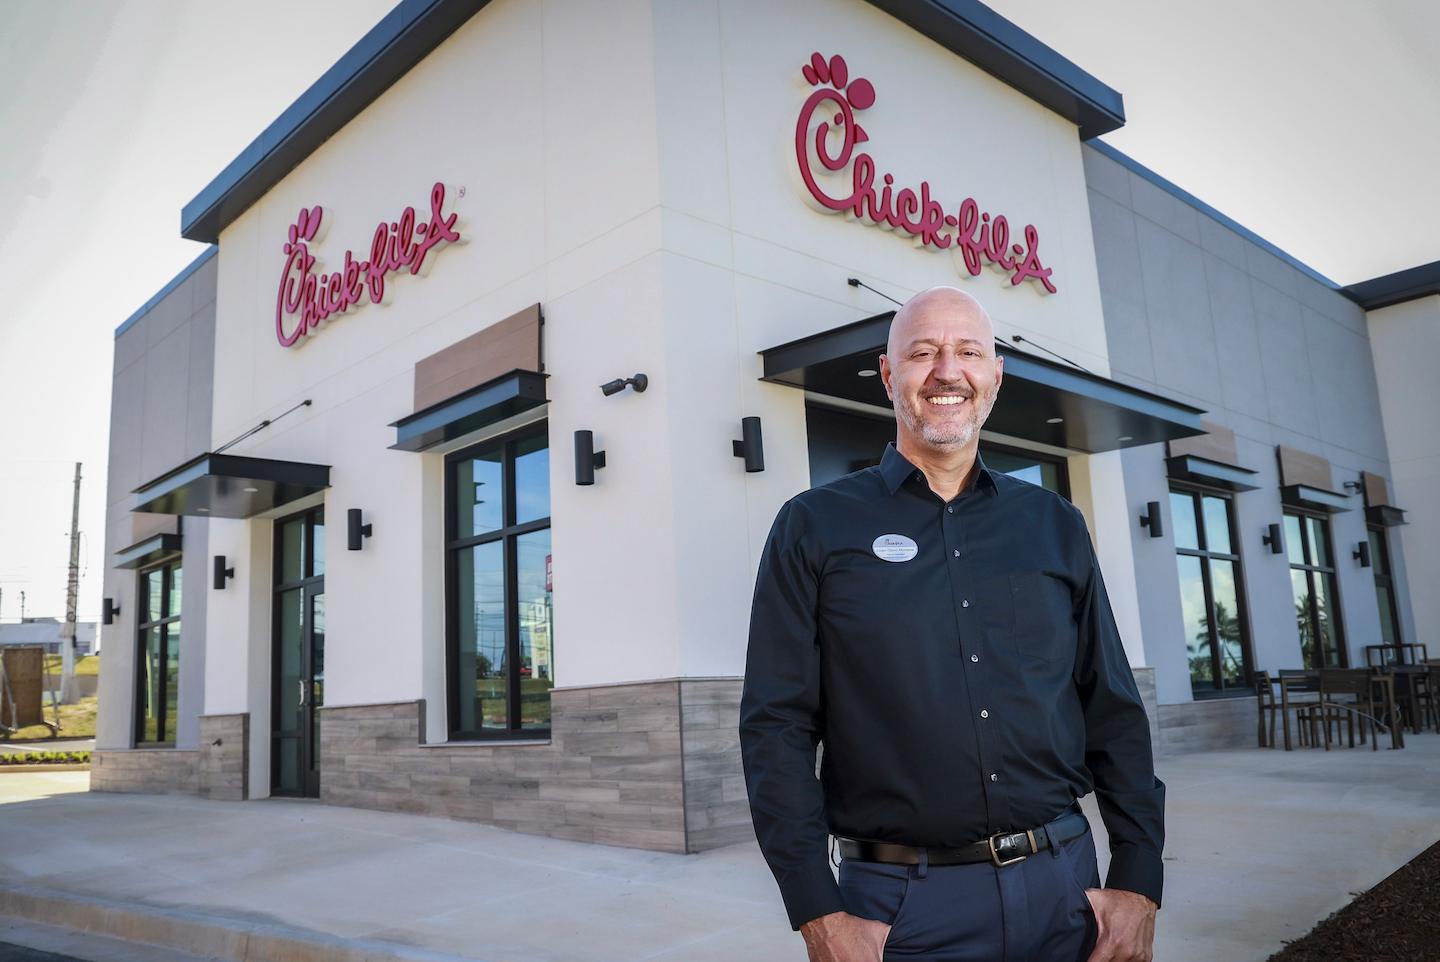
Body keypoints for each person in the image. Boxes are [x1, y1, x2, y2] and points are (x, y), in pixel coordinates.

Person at [738, 286, 1164, 962]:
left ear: (994, 375)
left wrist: (1139, 878)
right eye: (923, 353)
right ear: (888, 376)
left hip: (1064, 890)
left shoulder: (1053, 523)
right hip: (899, 909)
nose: (947, 372)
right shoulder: (813, 526)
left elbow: (1111, 706)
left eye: (968, 351)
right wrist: (817, 910)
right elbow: (777, 725)